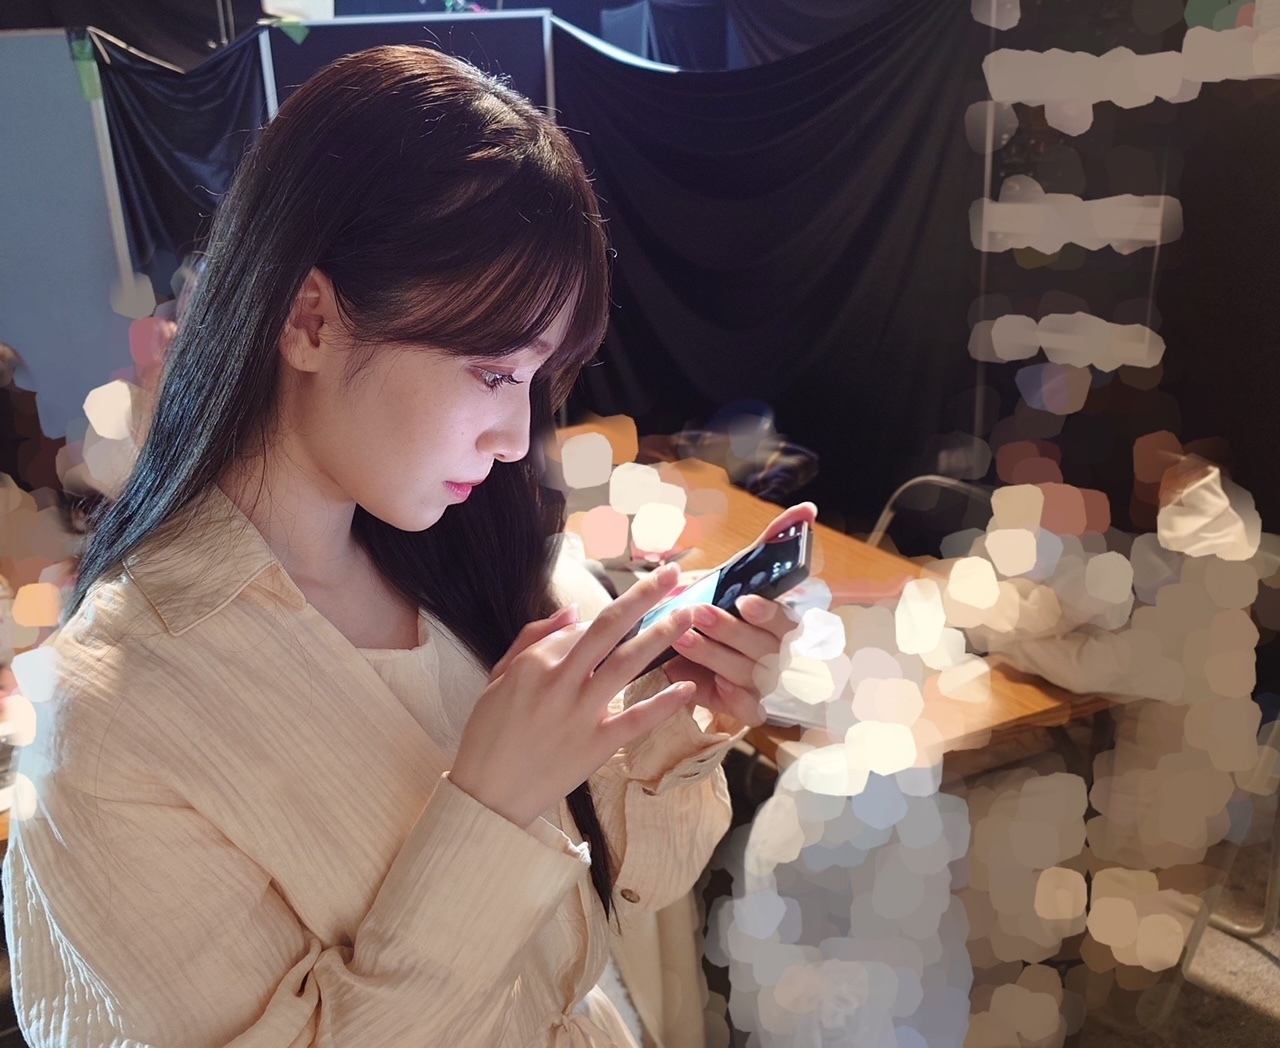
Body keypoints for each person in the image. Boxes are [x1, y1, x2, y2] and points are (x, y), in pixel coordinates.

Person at [1, 44, 817, 1048]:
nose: (515, 436)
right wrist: (490, 806)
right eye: (491, 371)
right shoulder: (108, 723)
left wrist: (679, 720)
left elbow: (641, 876)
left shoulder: (486, 561)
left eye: (537, 379)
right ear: (310, 318)